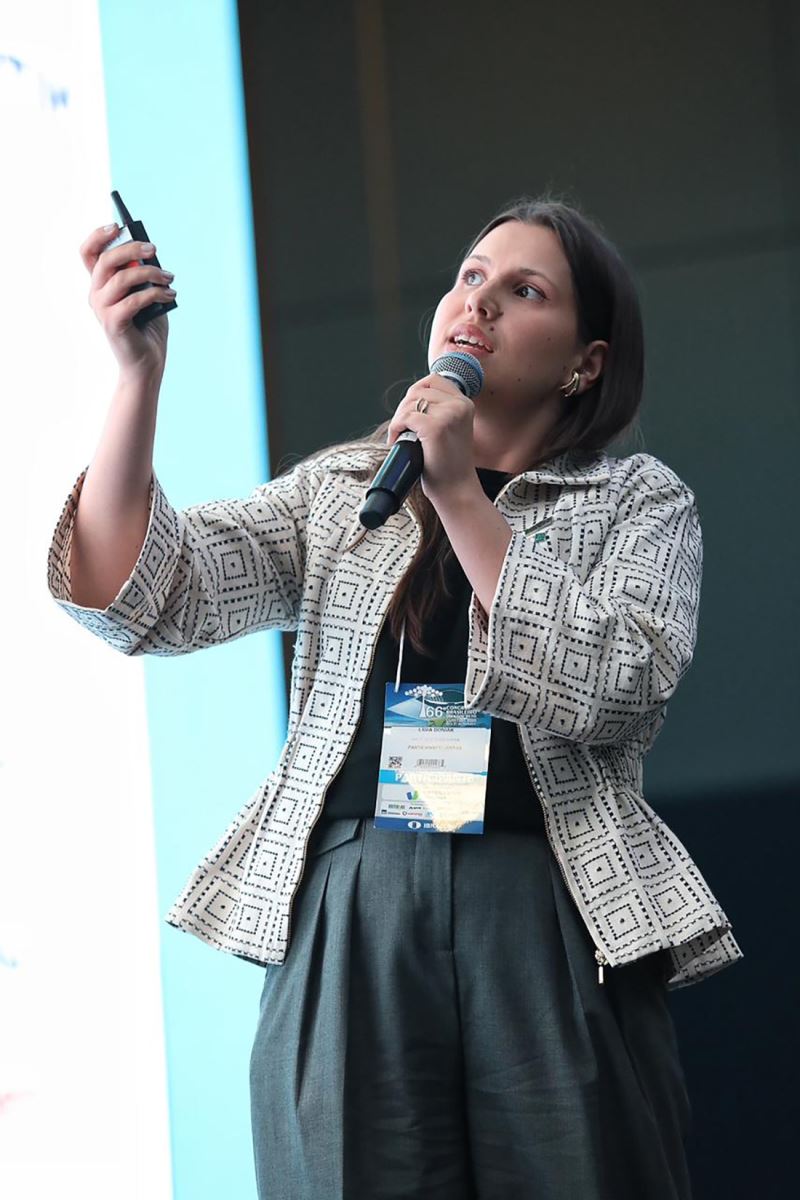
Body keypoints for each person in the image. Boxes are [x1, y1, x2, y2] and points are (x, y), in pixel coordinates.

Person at [48, 195, 742, 1199]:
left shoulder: (636, 501)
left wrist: (459, 494)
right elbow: (147, 597)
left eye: (524, 291)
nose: (478, 302)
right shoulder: (344, 491)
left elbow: (617, 683)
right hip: (352, 905)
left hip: (546, 908)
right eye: (469, 277)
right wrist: (137, 377)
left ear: (585, 363)